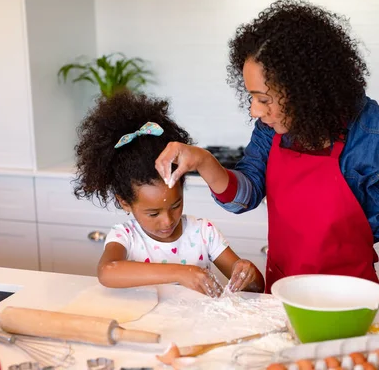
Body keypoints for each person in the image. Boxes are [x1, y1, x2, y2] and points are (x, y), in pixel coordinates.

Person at [155, 0, 379, 315]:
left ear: (305, 89)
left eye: (264, 99)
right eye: (252, 98)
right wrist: (204, 161)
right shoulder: (270, 129)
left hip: (353, 301)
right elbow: (242, 197)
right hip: (281, 297)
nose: (255, 111)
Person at [73, 91, 264, 296]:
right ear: (125, 203)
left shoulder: (203, 233)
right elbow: (107, 272)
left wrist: (248, 274)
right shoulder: (126, 237)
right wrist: (180, 273)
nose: (167, 221)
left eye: (175, 205)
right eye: (153, 213)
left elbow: (256, 288)